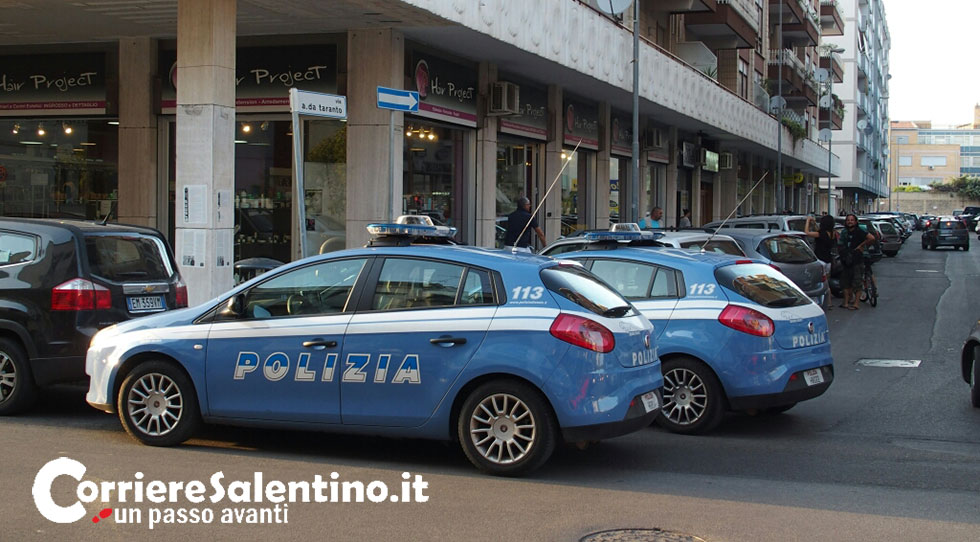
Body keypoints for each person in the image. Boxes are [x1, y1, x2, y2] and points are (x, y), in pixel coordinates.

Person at [837, 213, 875, 310]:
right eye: (848, 220)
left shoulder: (860, 231)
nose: (850, 222)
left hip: (857, 260)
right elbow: (840, 244)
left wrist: (861, 246)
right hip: (846, 259)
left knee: (857, 281)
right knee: (845, 282)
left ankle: (856, 304)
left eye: (852, 220)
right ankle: (845, 302)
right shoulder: (844, 232)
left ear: (856, 221)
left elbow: (871, 238)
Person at [804, 215, 838, 311]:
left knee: (820, 283)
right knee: (827, 281)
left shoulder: (821, 234)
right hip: (828, 260)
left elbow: (807, 233)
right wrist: (813, 223)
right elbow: (819, 230)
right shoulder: (832, 233)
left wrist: (807, 221)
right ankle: (829, 302)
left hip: (820, 260)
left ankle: (826, 302)